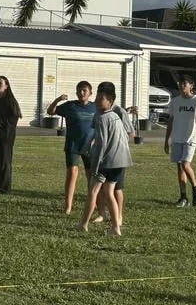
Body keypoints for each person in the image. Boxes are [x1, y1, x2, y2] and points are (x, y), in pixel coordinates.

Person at [79, 82, 132, 236]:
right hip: (121, 161)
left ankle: (83, 225)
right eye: (97, 96)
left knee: (93, 191)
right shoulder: (115, 116)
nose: (97, 100)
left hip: (109, 161)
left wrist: (95, 166)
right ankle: (116, 228)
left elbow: (102, 143)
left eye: (101, 98)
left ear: (110, 101)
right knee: (109, 192)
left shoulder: (103, 118)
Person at [47, 81, 96, 214]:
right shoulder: (70, 106)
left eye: (84, 90)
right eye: (79, 90)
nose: (81, 93)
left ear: (90, 93)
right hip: (73, 145)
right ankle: (68, 206)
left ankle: (93, 203)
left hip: (90, 146)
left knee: (90, 175)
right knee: (72, 173)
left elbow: (104, 122)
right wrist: (57, 100)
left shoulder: (95, 107)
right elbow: (50, 111)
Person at [164, 74, 196, 207]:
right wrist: (166, 140)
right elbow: (170, 121)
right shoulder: (175, 101)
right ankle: (183, 197)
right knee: (180, 167)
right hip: (177, 138)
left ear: (191, 85)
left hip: (191, 138)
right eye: (180, 83)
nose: (182, 85)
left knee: (185, 164)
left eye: (185, 83)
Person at [0, 75, 21, 194]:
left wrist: (2, 126)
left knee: (4, 160)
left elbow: (14, 117)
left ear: (6, 86)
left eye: (0, 83)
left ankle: (3, 188)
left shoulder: (10, 101)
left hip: (5, 135)